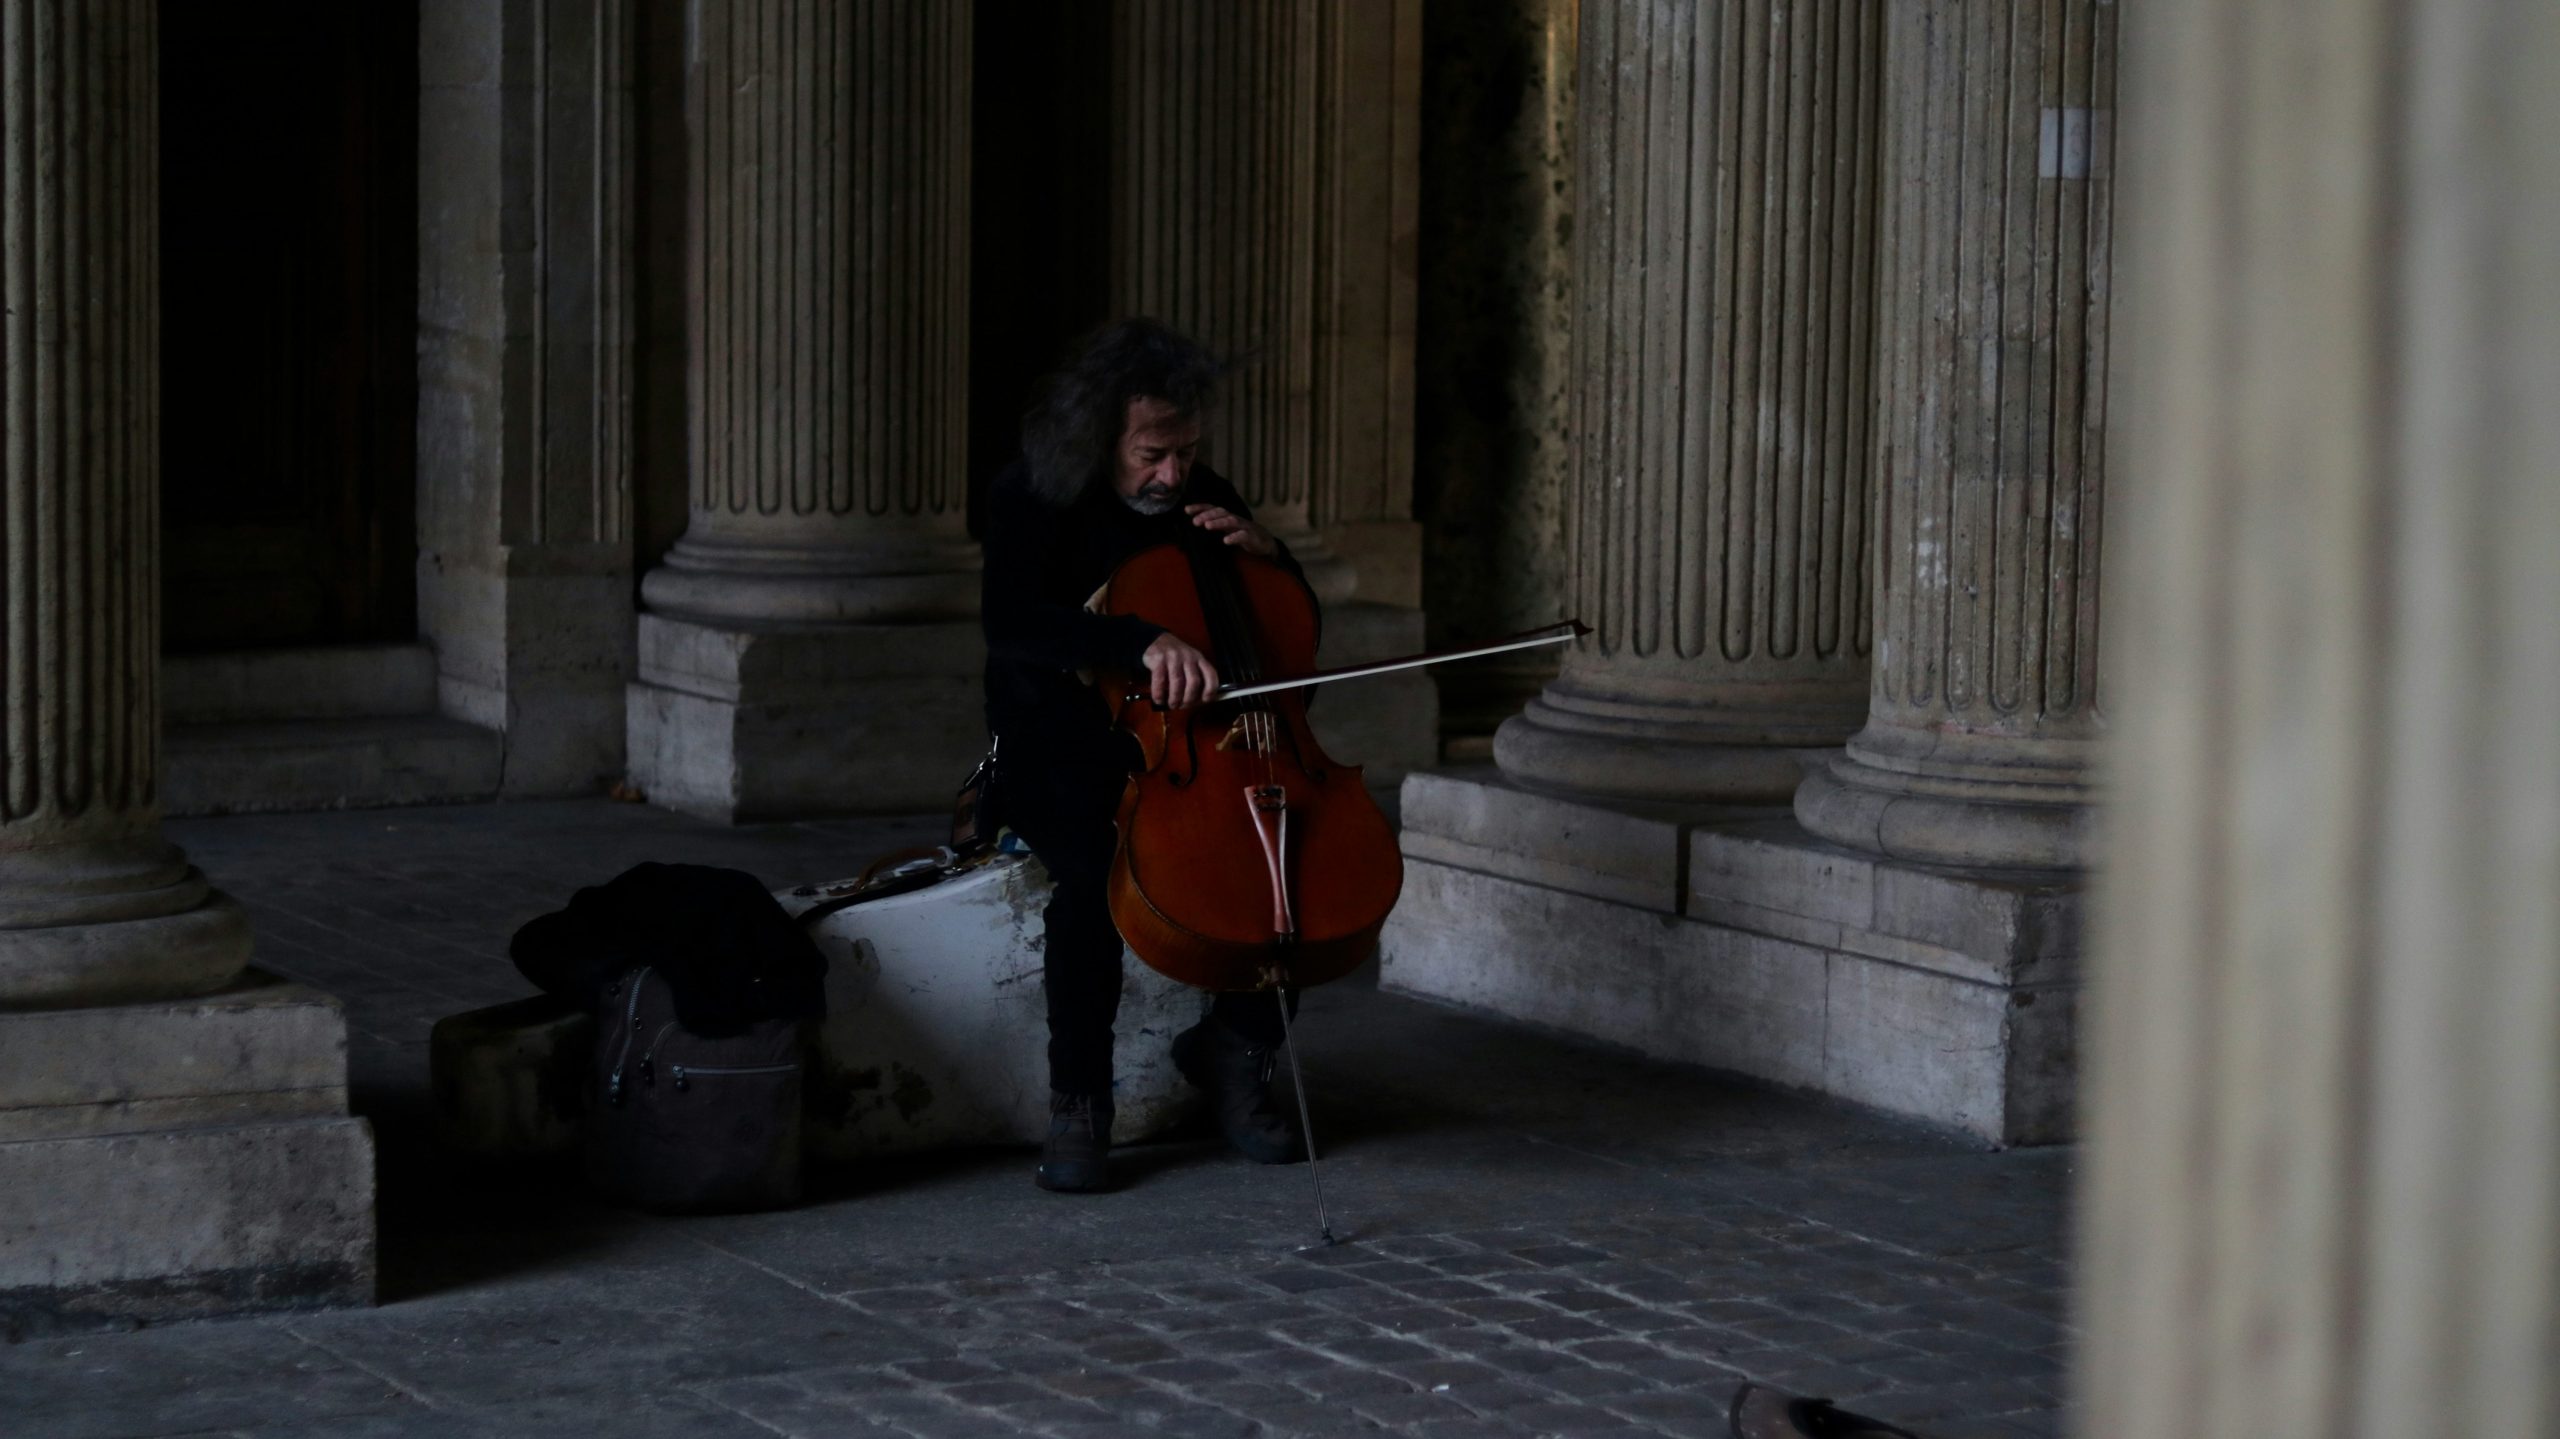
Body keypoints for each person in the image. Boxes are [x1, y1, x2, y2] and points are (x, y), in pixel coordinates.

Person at [981, 318, 1310, 1194]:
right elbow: (1011, 626)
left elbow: (1286, 629)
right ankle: (1081, 1103)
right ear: (1103, 438)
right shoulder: (1033, 495)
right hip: (1062, 744)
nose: (1172, 475)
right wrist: (1138, 638)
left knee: (1288, 868)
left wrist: (1274, 558)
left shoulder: (1205, 494)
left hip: (1196, 749)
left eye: (1187, 451)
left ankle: (1237, 1055)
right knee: (1096, 884)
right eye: (1151, 454)